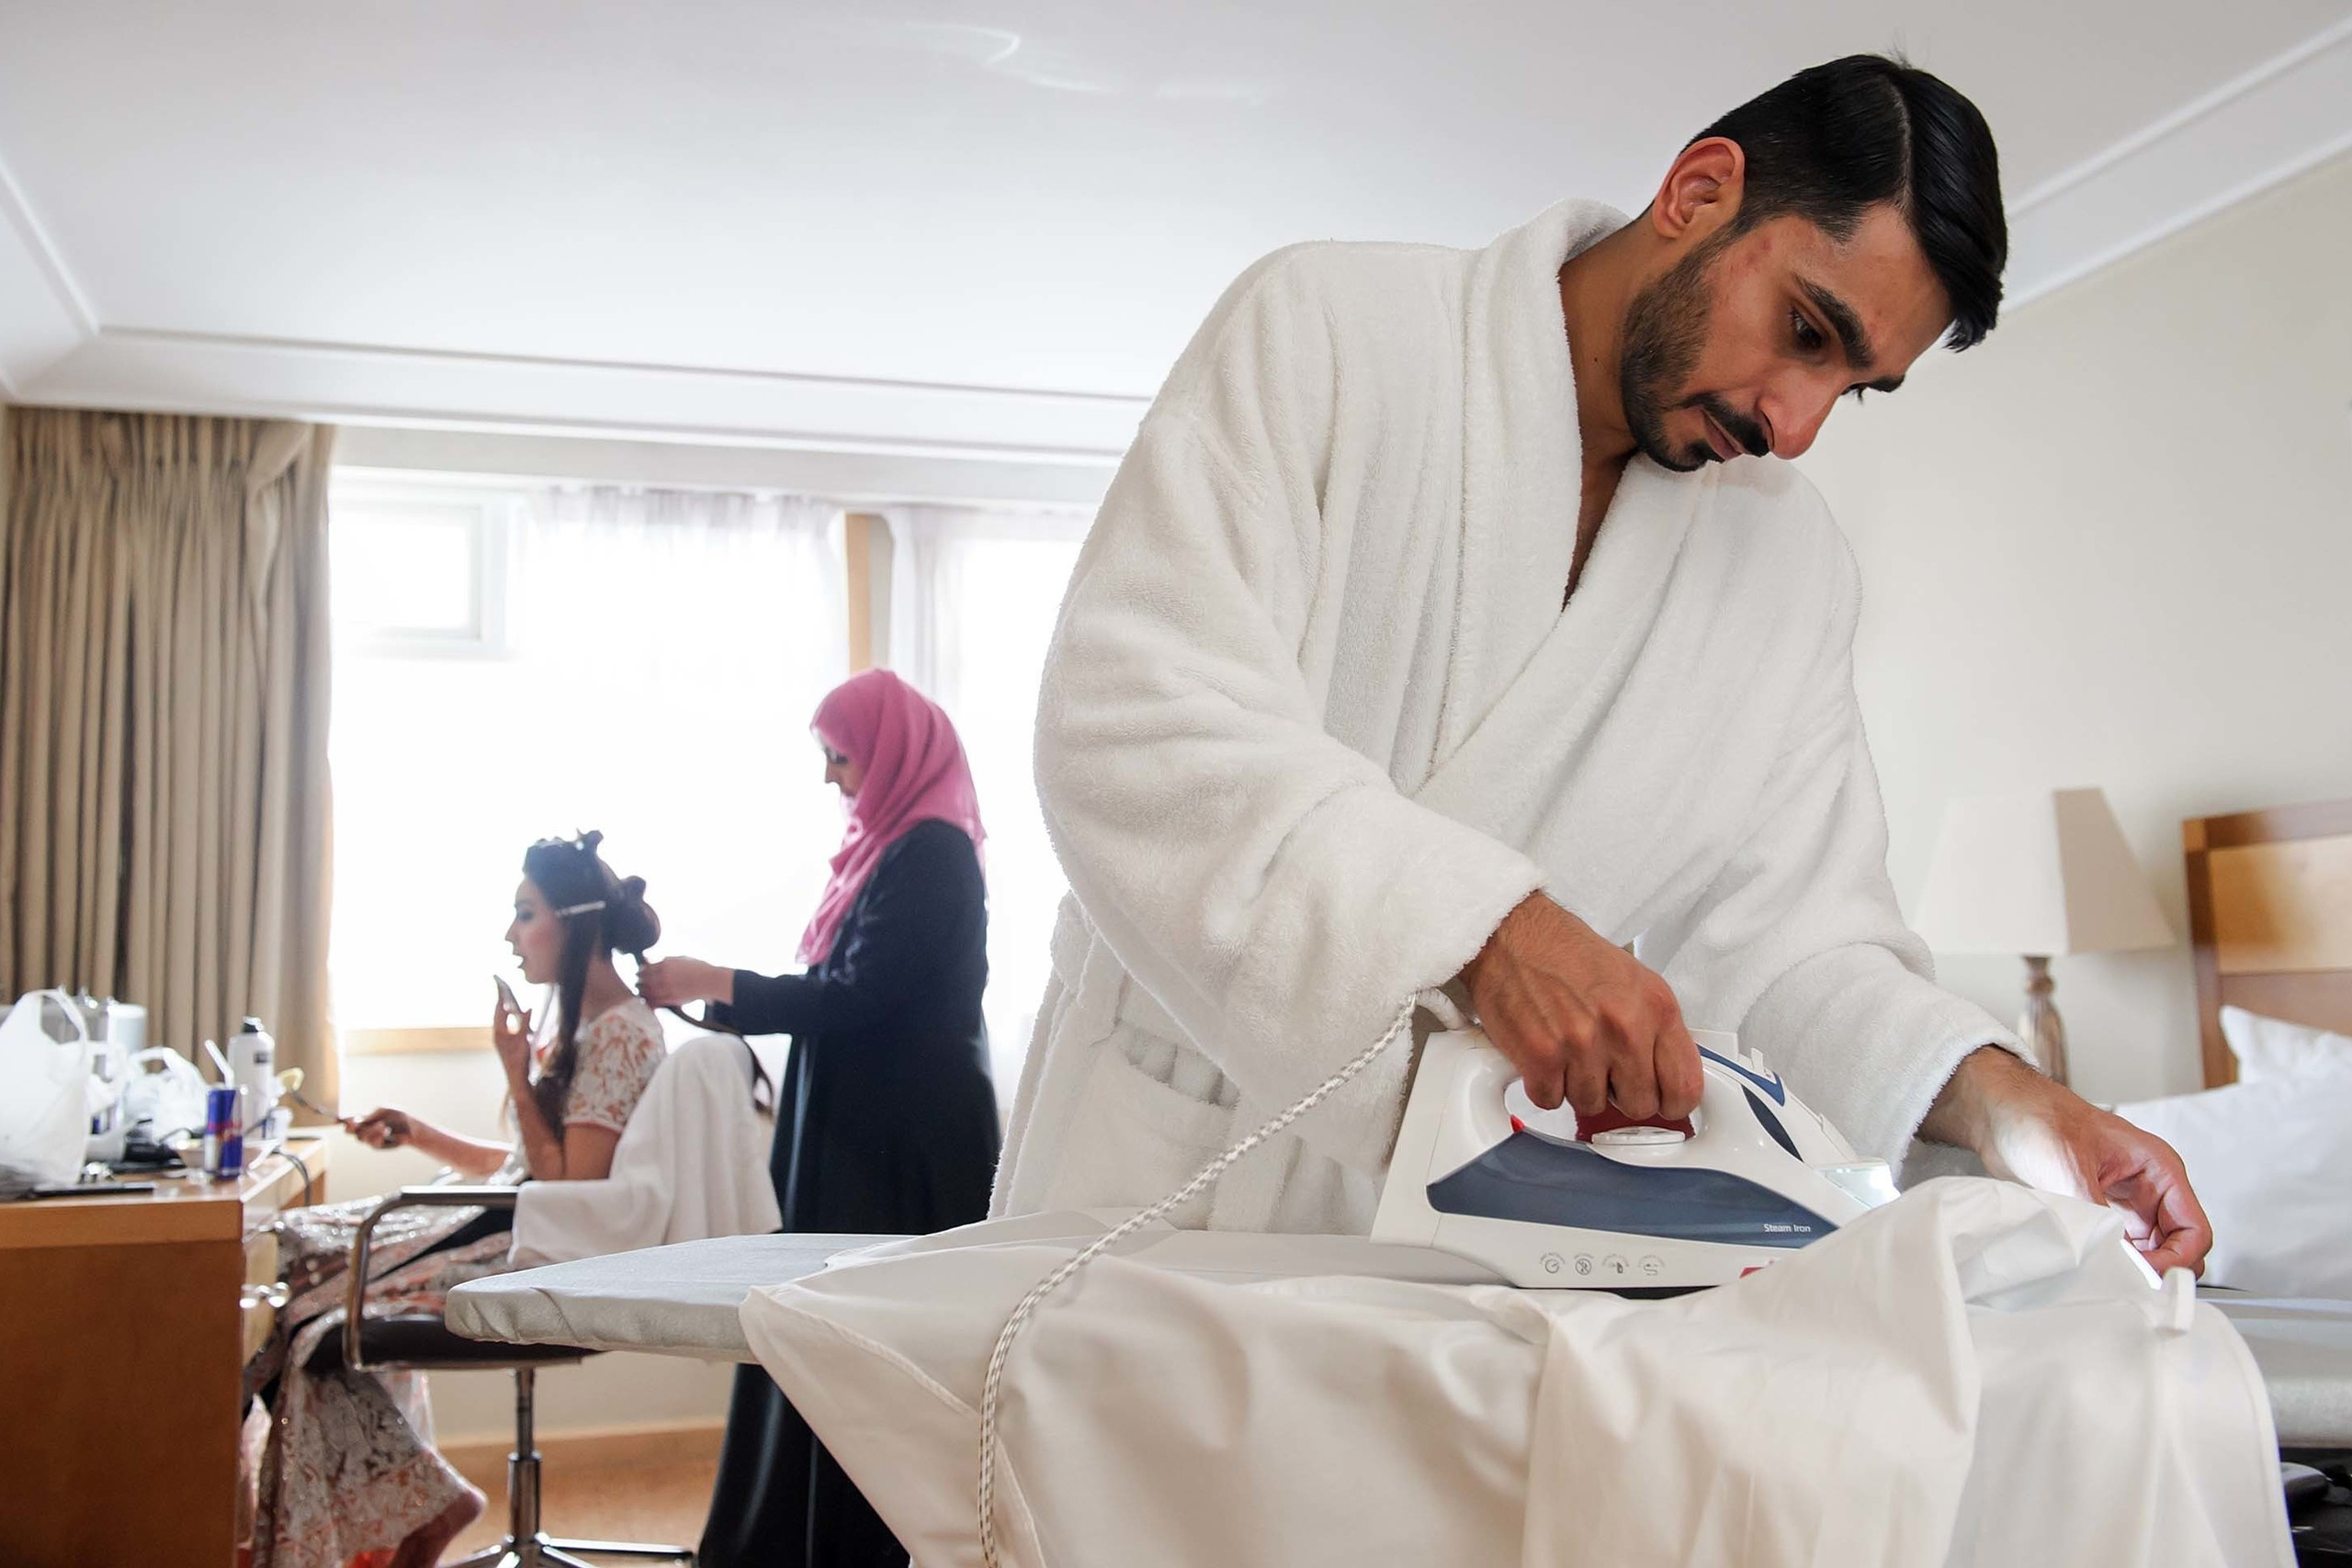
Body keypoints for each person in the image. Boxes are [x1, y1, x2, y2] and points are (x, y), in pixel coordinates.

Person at [991, 56, 2212, 1273]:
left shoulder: (1786, 565)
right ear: (1698, 189)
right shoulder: (1327, 332)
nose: (1795, 424)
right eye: (1803, 329)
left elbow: (1794, 953)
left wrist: (2006, 1100)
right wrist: (1487, 930)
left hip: (1470, 1269)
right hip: (1160, 1198)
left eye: (1855, 384)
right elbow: (1131, 714)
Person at [642, 666, 999, 1568]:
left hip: (902, 1140)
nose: (834, 779)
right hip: (858, 1124)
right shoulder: (888, 853)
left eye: (841, 758)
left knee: (869, 1344)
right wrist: (715, 999)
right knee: (822, 1332)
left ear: (888, 754)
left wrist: (716, 984)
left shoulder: (933, 854)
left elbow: (862, 994)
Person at [252, 833, 667, 1568]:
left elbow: (565, 1186)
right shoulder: (587, 1030)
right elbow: (522, 1166)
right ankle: (418, 1505)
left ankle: (417, 1511)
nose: (510, 935)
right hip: (514, 1215)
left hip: (538, 1246)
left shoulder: (622, 1038)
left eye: (524, 913)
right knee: (293, 1248)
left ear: (571, 924)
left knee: (314, 1310)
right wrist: (419, 1133)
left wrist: (515, 1073)